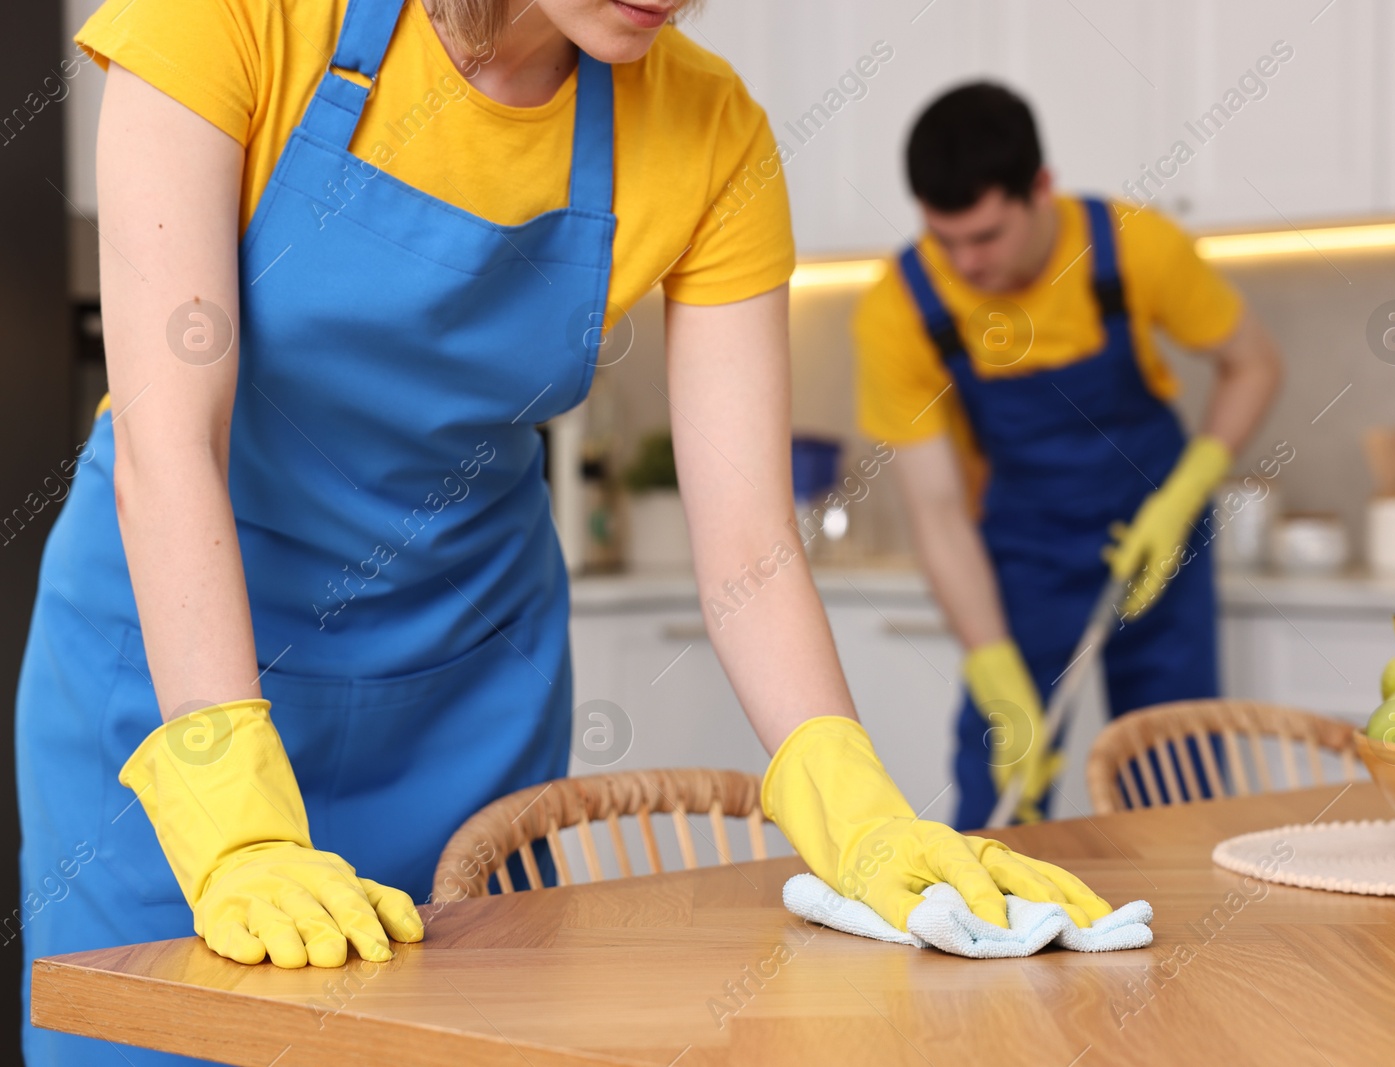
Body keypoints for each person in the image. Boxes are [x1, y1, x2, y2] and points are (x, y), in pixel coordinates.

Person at [17, 4, 1117, 1063]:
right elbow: (171, 451)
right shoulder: (233, 12)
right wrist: (236, 820)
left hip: (462, 689)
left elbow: (745, 540)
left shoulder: (709, 131)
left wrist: (852, 793)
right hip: (176, 692)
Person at [854, 83, 1282, 830]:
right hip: (1026, 551)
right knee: (999, 788)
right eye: (943, 238)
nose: (964, 261)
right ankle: (996, 936)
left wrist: (1185, 494)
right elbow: (938, 510)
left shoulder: (1133, 245)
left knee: (1176, 780)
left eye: (985, 236)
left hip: (1161, 539)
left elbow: (1256, 364)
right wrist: (991, 662)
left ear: (1040, 189)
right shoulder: (902, 307)